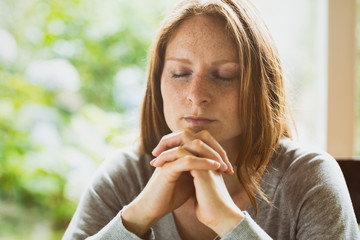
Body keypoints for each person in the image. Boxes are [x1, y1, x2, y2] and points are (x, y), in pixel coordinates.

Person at [62, 0, 360, 239]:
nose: (196, 94)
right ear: (158, 83)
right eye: (180, 74)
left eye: (225, 76)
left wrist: (228, 221)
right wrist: (136, 218)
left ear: (261, 87)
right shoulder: (124, 178)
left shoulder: (310, 179)